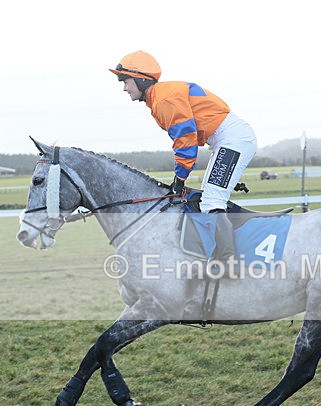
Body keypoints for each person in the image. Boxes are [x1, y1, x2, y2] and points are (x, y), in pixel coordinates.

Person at [110, 50, 257, 264]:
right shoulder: (160, 97)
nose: (124, 87)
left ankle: (228, 262)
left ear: (141, 79)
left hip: (232, 139)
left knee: (212, 200)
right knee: (208, 198)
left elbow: (185, 142)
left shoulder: (164, 99)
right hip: (227, 140)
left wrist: (179, 179)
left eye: (125, 81)